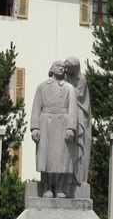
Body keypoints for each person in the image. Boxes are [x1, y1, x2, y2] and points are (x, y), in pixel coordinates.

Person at [30, 59, 79, 197]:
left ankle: (59, 187)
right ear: (51, 69)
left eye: (63, 67)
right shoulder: (42, 87)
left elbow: (73, 109)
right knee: (45, 156)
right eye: (58, 66)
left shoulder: (69, 88)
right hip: (45, 123)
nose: (61, 68)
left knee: (62, 157)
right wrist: (35, 128)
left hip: (62, 123)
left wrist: (71, 128)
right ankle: (46, 186)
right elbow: (36, 108)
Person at [63, 56, 91, 189]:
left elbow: (77, 95)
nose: (66, 70)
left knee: (78, 145)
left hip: (80, 113)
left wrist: (65, 81)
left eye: (68, 68)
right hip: (67, 113)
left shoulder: (81, 79)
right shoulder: (66, 77)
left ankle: (77, 177)